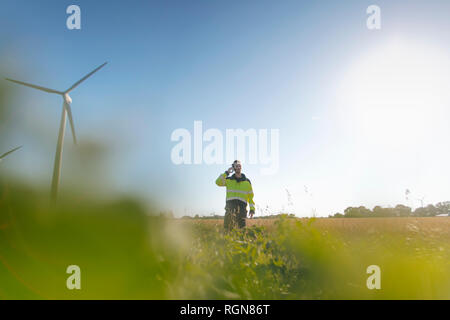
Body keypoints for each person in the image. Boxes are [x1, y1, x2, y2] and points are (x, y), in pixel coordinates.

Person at [215, 160, 255, 231]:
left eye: (239, 165)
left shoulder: (247, 182)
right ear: (234, 168)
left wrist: (252, 209)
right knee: (227, 231)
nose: (238, 167)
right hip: (230, 209)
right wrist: (227, 173)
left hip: (242, 210)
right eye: (236, 166)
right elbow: (218, 182)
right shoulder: (228, 180)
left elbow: (250, 197)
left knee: (242, 232)